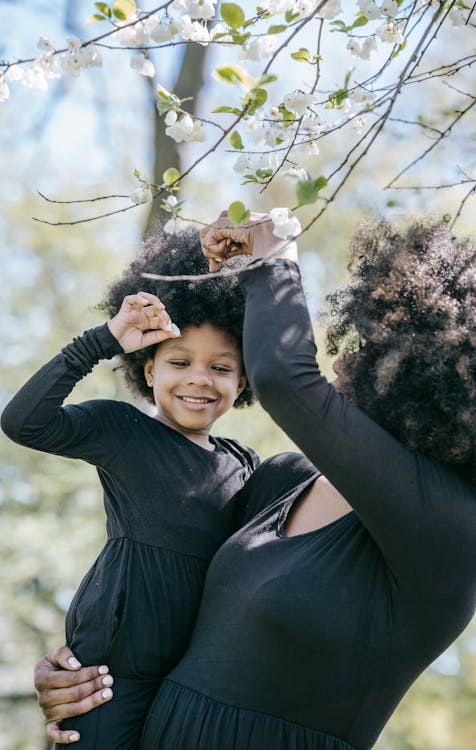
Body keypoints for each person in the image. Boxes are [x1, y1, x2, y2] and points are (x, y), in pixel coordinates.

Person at [33, 213, 475, 750]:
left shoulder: (448, 529)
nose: (346, 359)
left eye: (375, 347)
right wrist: (85, 671)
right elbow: (169, 581)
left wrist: (275, 259)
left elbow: (284, 378)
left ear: (425, 374)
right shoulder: (282, 480)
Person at [0, 228, 259, 749]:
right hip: (110, 676)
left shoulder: (246, 465)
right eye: (179, 362)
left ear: (244, 382)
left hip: (197, 681)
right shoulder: (122, 430)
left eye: (222, 368)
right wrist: (101, 341)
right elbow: (23, 423)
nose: (199, 380)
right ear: (148, 368)